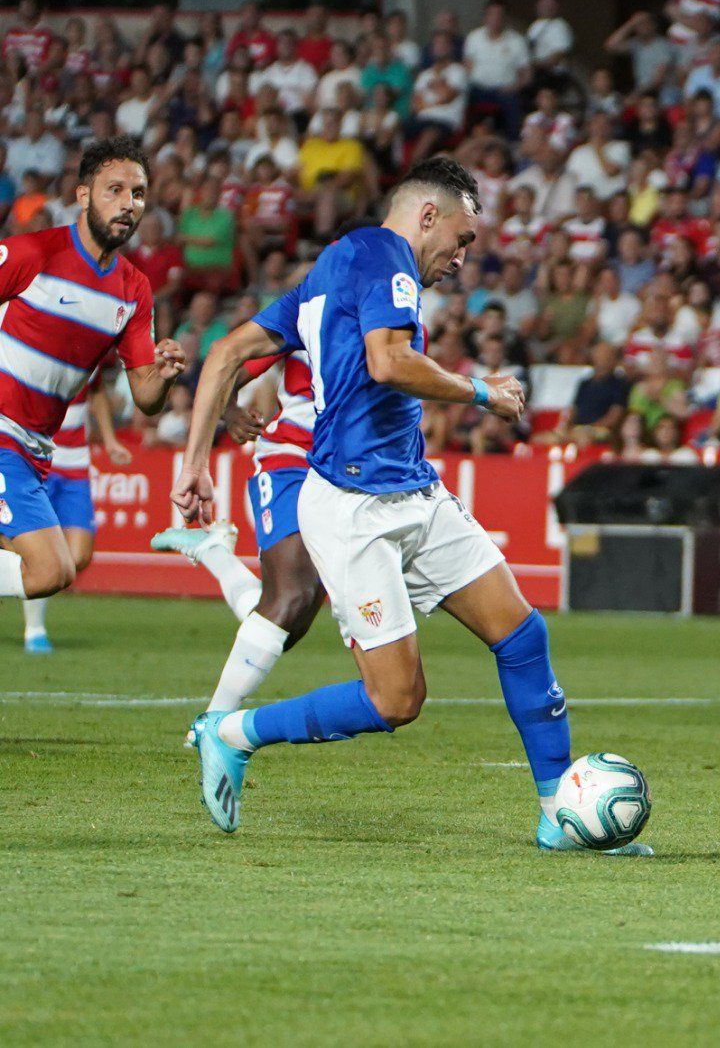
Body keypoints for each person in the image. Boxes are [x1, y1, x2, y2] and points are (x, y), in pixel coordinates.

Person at [172, 158, 650, 855]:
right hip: (354, 511)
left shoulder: (335, 268)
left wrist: (193, 466)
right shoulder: (384, 257)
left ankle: (556, 815)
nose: (461, 258)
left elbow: (225, 354)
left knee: (522, 635)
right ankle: (234, 732)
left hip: (416, 492)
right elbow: (387, 362)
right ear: (427, 215)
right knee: (396, 701)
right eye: (461, 239)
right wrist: (482, 391)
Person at [0, 136, 186, 614]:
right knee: (49, 570)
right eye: (115, 190)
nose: (128, 204)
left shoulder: (135, 290)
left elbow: (146, 397)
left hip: (38, 449)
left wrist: (162, 374)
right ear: (83, 196)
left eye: (138, 194)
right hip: (3, 435)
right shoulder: (33, 253)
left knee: (56, 571)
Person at [149, 337, 327, 741]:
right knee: (290, 600)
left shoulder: (398, 314)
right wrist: (229, 411)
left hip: (347, 475)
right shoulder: (307, 307)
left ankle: (216, 554)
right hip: (291, 461)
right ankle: (211, 725)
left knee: (287, 623)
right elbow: (226, 365)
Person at [20, 377, 130, 653]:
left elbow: (97, 390)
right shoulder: (34, 345)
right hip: (37, 457)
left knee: (79, 556)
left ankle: (13, 575)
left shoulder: (88, 343)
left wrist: (110, 440)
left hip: (76, 463)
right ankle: (34, 629)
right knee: (40, 550)